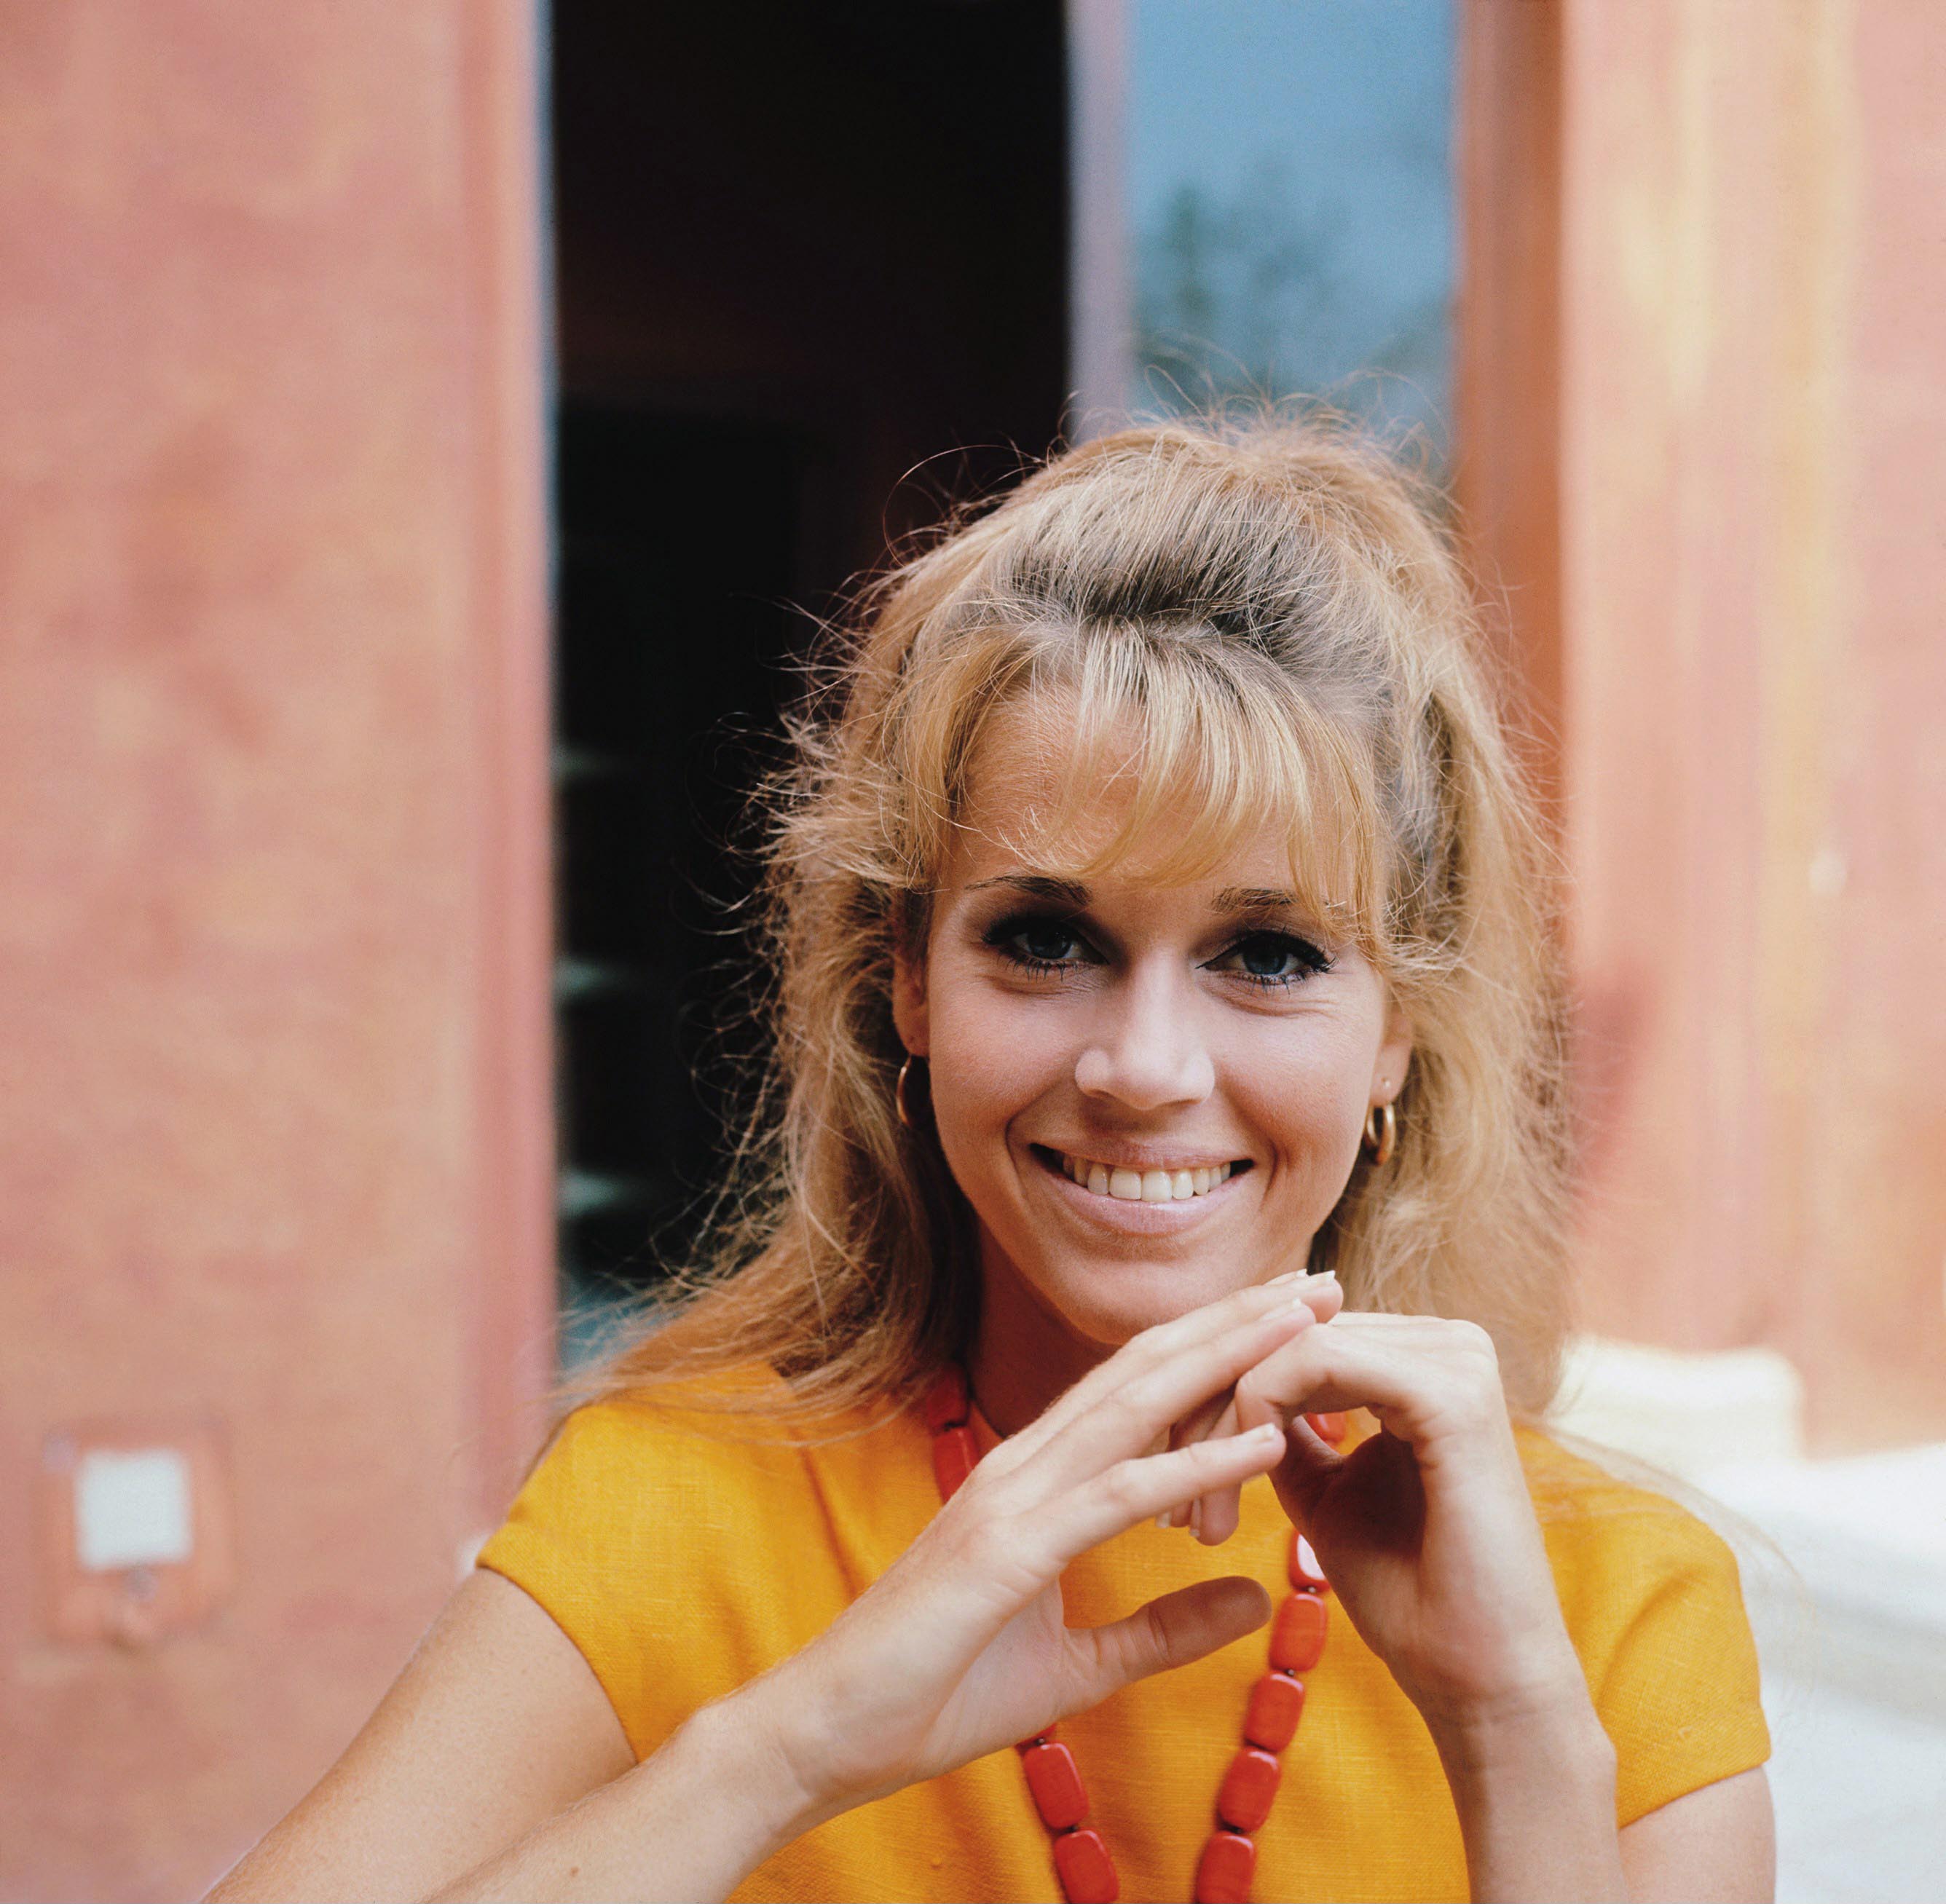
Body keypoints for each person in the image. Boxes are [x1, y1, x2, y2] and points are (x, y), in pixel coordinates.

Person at [210, 417, 1774, 1904]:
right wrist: (792, 1746)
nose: (1144, 1069)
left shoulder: (1610, 1610)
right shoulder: (674, 1507)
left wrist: (1510, 1733)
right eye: (1046, 938)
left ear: (1396, 1035)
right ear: (908, 978)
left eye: (1269, 954)